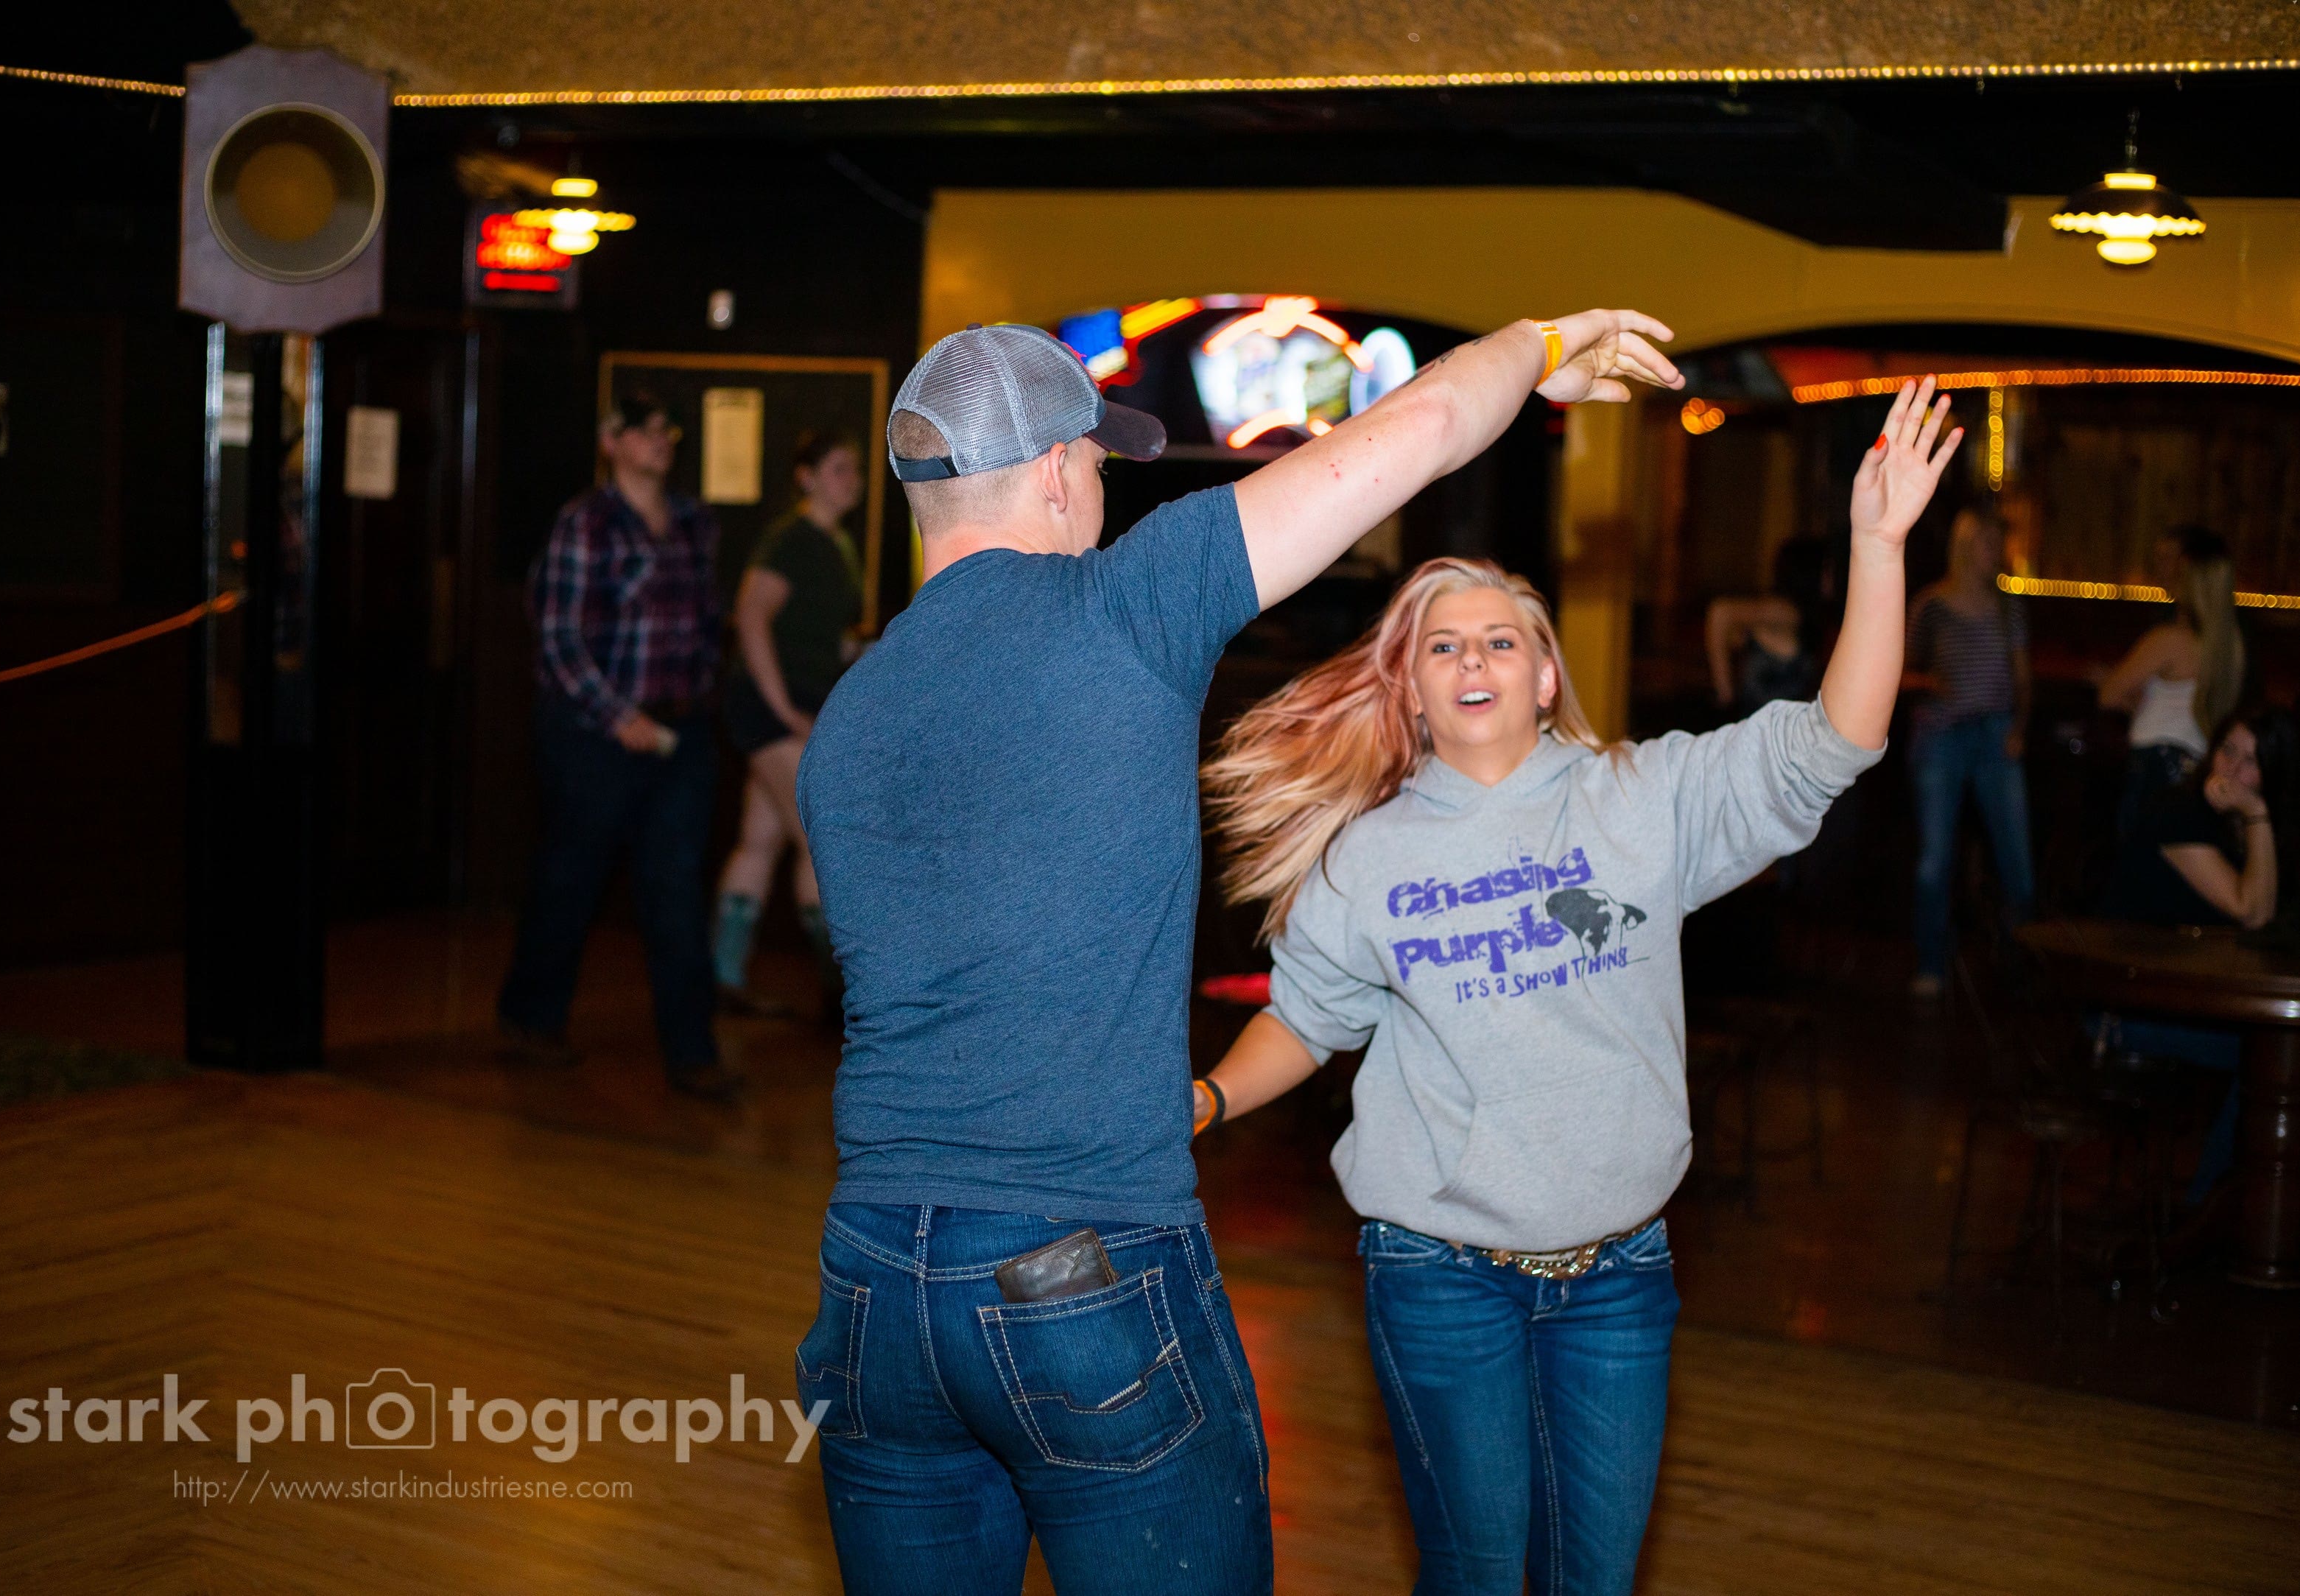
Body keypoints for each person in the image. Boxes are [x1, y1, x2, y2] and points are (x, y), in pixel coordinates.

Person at [794, 312, 1684, 1595]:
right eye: (1098, 460)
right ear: (1053, 473)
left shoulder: (848, 717)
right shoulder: (1125, 606)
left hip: (873, 1282)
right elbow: (1425, 421)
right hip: (1080, 1265)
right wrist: (1547, 345)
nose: (1104, 486)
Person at [1189, 380, 1955, 1596]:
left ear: (1545, 677)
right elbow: (1305, 1018)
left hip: (1618, 1277)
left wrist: (1878, 544)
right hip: (1437, 1273)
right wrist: (1209, 1098)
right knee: (1478, 1575)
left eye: (1501, 639)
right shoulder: (1365, 856)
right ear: (1411, 688)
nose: (1473, 658)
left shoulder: (1645, 799)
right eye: (1443, 645)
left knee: (1593, 1579)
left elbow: (1838, 739)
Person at [496, 393, 740, 1102]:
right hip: (592, 737)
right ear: (613, 442)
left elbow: (706, 623)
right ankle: (531, 1018)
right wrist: (617, 715)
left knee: (676, 889)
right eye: (645, 431)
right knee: (570, 879)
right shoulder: (586, 523)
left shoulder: (694, 521)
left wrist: (699, 702)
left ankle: (693, 1053)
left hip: (680, 733)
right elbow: (558, 640)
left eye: (667, 430)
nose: (661, 440)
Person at [2101, 709, 2296, 1203]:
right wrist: (2257, 811)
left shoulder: (2241, 831)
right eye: (2227, 750)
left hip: (2186, 998)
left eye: (2251, 761)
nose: (2231, 769)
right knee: (2271, 1058)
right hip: (2123, 1009)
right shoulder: (2180, 813)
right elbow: (2252, 912)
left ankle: (2238, 1209)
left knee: (2276, 1052)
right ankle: (2214, 1209)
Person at [712, 431, 867, 1014]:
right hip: (774, 708)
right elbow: (751, 617)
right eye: (838, 467)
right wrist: (782, 710)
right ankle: (840, 995)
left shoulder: (837, 545)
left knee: (761, 839)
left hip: (799, 704)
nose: (851, 479)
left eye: (855, 468)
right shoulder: (792, 539)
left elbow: (817, 636)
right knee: (819, 837)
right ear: (806, 477)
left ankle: (723, 976)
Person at [1904, 506, 2036, 996]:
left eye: (1999, 543)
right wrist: (1929, 682)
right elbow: (1900, 671)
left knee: (2016, 858)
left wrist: (2019, 727)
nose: (1996, 552)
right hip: (1941, 736)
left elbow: (2023, 678)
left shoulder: (2008, 607)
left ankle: (2021, 962)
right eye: (1987, 543)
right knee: (1935, 859)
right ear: (1964, 546)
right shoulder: (1931, 606)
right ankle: (1931, 964)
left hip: (1995, 735)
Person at [2097, 525, 2245, 837]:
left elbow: (2108, 694)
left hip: (2157, 768)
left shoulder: (2169, 640)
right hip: (2196, 767)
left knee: (2139, 859)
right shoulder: (2230, 647)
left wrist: (2130, 696)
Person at [1705, 534, 1831, 714]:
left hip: (1774, 721)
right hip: (1762, 722)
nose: (1830, 577)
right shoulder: (1784, 611)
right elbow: (1720, 612)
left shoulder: (1802, 616)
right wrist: (1725, 692)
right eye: (1825, 569)